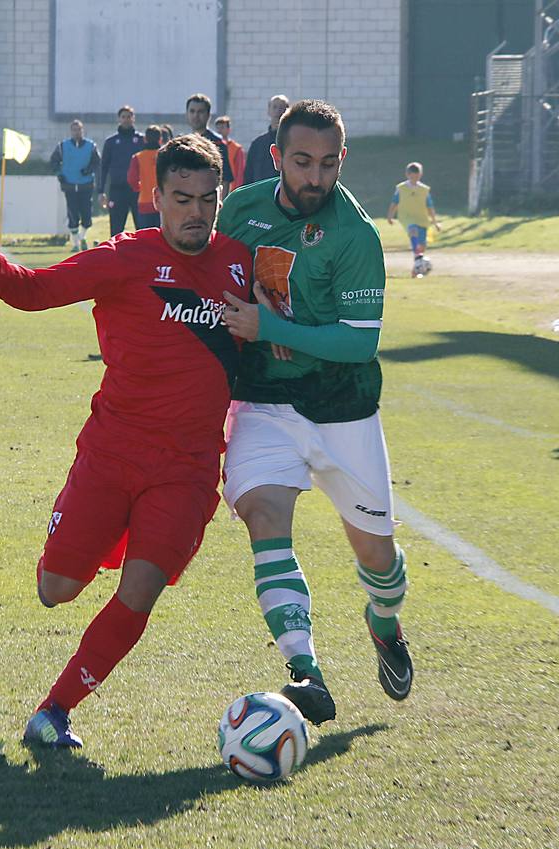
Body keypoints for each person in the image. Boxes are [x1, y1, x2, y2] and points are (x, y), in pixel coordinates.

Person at [0, 134, 253, 749]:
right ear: (155, 197)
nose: (196, 212)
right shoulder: (124, 257)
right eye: (182, 198)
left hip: (190, 466)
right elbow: (35, 291)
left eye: (208, 198)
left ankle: (54, 712)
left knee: (140, 590)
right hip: (111, 453)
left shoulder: (241, 264)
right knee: (56, 590)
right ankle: (94, 535)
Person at [217, 99, 413, 726]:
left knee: (377, 558)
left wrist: (267, 324)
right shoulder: (241, 210)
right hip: (264, 401)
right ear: (274, 158)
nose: (315, 178)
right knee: (263, 514)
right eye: (302, 162)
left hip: (341, 408)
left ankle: (384, 625)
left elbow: (360, 340)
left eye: (328, 164)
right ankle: (304, 670)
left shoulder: (354, 234)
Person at [49, 120, 100, 251]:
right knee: (72, 214)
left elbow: (97, 162)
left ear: (83, 131)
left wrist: (88, 170)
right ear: (71, 131)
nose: (77, 132)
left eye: (79, 130)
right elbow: (54, 161)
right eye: (74, 130)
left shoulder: (91, 146)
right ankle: (76, 244)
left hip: (86, 185)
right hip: (69, 185)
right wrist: (60, 174)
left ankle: (82, 237)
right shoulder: (62, 146)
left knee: (87, 215)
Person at [386, 161, 441, 276]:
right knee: (412, 230)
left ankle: (415, 270)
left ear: (420, 175)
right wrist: (390, 216)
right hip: (406, 218)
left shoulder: (424, 190)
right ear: (408, 175)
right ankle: (418, 258)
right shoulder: (401, 188)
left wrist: (435, 222)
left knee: (421, 246)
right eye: (412, 176)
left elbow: (430, 206)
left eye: (417, 176)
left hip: (422, 219)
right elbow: (394, 202)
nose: (414, 178)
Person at [98, 106, 145, 236]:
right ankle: (115, 256)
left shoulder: (141, 140)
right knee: (116, 230)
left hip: (138, 190)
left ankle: (143, 255)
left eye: (129, 117)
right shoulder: (111, 142)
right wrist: (101, 191)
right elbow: (103, 167)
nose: (126, 120)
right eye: (123, 117)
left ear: (133, 118)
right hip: (117, 190)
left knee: (142, 228)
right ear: (119, 119)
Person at [185, 94, 234, 193]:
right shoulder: (184, 143)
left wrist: (221, 206)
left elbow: (225, 180)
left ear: (208, 115)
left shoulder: (217, 143)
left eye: (200, 112)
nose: (196, 116)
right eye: (192, 111)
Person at [243, 95, 289, 185]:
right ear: (269, 110)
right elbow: (248, 175)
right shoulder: (257, 144)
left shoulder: (292, 142)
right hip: (259, 194)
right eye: (274, 107)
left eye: (281, 107)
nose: (278, 111)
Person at [127, 125, 164, 228]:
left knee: (146, 236)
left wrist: (138, 188)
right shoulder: (165, 156)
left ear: (145, 139)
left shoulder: (138, 157)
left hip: (145, 201)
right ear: (160, 140)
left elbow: (131, 179)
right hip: (164, 202)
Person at [214, 115, 246, 194]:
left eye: (222, 128)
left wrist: (237, 191)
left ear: (228, 130)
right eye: (218, 128)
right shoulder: (213, 147)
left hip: (231, 189)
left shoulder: (236, 149)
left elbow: (240, 172)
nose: (219, 131)